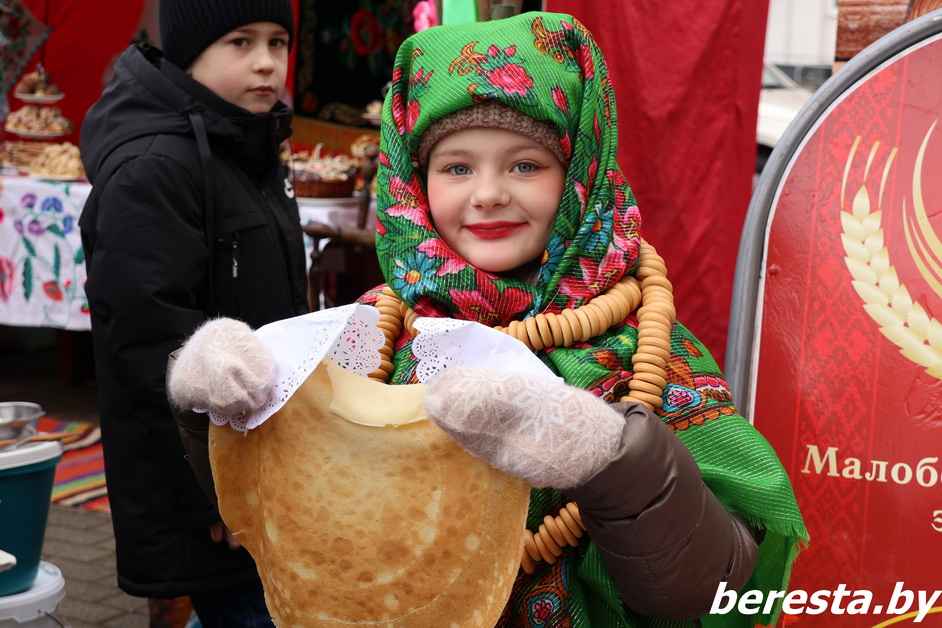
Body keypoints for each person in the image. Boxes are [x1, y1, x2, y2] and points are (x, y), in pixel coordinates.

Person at [169, 11, 808, 627]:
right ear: (415, 182)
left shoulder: (646, 349)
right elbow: (287, 516)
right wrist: (217, 416)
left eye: (525, 165)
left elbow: (720, 586)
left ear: (579, 172)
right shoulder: (367, 337)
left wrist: (610, 458)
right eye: (456, 167)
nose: (489, 194)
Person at [77, 0, 308, 625]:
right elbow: (148, 348)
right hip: (211, 491)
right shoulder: (154, 169)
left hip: (261, 465)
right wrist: (219, 496)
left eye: (278, 42)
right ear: (188, 54)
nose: (267, 63)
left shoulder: (246, 142)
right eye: (240, 42)